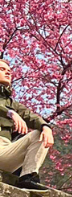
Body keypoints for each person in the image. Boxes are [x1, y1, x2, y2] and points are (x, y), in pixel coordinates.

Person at [0, 57, 55, 190]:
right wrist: (10, 113)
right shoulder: (10, 108)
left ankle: (27, 176)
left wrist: (46, 127)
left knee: (39, 134)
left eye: (9, 71)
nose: (8, 73)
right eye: (2, 69)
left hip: (4, 150)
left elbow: (31, 117)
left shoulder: (12, 103)